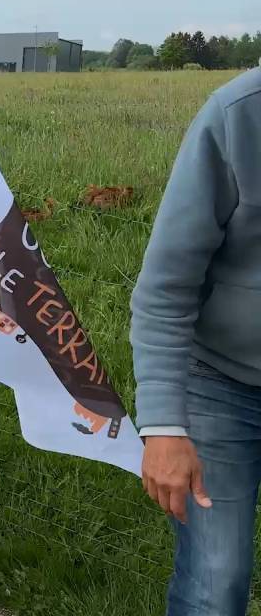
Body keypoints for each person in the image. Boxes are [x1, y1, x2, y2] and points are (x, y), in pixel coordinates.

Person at [132, 66, 261, 616]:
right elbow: (166, 286)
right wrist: (163, 425)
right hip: (221, 383)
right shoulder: (239, 115)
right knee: (216, 580)